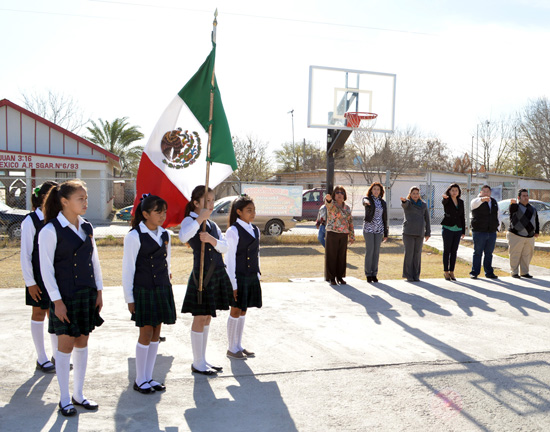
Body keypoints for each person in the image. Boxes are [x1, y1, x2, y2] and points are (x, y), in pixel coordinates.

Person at [38, 179, 104, 417]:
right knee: (64, 346)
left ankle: (79, 394)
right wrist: (56, 301)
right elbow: (46, 269)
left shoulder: (87, 227)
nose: (85, 202)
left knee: (82, 342)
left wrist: (99, 291)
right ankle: (64, 399)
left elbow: (94, 261)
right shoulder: (49, 230)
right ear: (64, 201)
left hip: (86, 293)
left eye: (86, 198)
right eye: (81, 198)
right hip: (64, 296)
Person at [122, 194, 176, 394]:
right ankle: (139, 379)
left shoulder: (165, 235)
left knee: (156, 333)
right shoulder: (134, 236)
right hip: (143, 289)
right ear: (145, 214)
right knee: (145, 333)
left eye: (164, 211)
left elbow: (167, 262)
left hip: (161, 288)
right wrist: (130, 298)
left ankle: (149, 377)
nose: (162, 215)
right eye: (157, 211)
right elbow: (128, 270)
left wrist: (167, 285)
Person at [179, 186, 233, 375]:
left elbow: (225, 247)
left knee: (208, 316)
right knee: (199, 317)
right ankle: (197, 362)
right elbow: (183, 236)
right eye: (207, 201)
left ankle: (203, 359)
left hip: (216, 273)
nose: (211, 204)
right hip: (201, 275)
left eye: (212, 200)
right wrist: (199, 219)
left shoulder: (212, 225)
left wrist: (211, 239)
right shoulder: (190, 220)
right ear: (196, 203)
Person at [20, 181, 59, 374]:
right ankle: (41, 358)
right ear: (45, 198)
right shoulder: (30, 221)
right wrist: (30, 283)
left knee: (54, 314)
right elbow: (26, 255)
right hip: (37, 277)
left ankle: (57, 355)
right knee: (38, 314)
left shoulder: (56, 220)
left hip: (54, 275)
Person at [225, 195, 262, 360]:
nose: (252, 213)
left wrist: (258, 273)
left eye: (253, 210)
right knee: (235, 310)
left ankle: (238, 345)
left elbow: (257, 253)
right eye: (249, 210)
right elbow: (230, 259)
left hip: (251, 274)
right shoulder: (233, 231)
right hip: (238, 276)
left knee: (244, 309)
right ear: (238, 212)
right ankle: (231, 348)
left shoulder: (255, 229)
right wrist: (233, 284)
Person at [324, 186, 355, 285]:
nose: (339, 194)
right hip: (332, 233)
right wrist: (328, 200)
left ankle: (340, 277)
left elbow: (350, 222)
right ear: (334, 195)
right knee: (332, 256)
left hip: (343, 234)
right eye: (337, 192)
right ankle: (332, 278)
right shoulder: (332, 205)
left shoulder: (347, 208)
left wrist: (352, 235)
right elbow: (329, 205)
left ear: (344, 195)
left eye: (342, 193)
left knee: (342, 257)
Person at [470, 185, 500, 279]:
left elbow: (498, 215)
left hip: (491, 232)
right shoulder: (476, 201)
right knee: (478, 252)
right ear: (480, 192)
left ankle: (489, 272)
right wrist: (482, 200)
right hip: (479, 231)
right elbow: (474, 204)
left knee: (489, 253)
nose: (486, 193)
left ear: (490, 192)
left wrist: (497, 227)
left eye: (488, 191)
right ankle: (474, 272)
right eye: (484, 191)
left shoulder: (494, 202)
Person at [507, 189, 540, 278]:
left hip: (529, 235)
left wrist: (536, 231)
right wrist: (513, 203)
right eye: (523, 196)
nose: (526, 198)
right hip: (516, 235)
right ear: (519, 197)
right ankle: (514, 272)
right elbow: (511, 211)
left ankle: (524, 272)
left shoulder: (532, 208)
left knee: (527, 255)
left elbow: (536, 220)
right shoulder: (515, 207)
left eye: (527, 196)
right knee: (515, 254)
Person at [401, 186, 431, 282]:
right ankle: (408, 275)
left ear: (419, 195)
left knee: (417, 254)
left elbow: (427, 218)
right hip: (408, 232)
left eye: (417, 193)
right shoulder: (408, 203)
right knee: (409, 254)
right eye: (413, 193)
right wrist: (404, 201)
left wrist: (428, 232)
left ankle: (416, 275)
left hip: (419, 232)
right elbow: (405, 205)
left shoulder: (423, 204)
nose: (415, 195)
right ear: (410, 194)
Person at [362, 182, 388, 283]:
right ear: (371, 190)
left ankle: (374, 274)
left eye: (378, 189)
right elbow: (364, 201)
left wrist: (386, 233)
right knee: (370, 251)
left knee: (376, 252)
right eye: (374, 189)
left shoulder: (383, 203)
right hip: (369, 229)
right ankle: (368, 274)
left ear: (381, 191)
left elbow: (384, 218)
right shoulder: (368, 199)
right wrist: (366, 203)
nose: (376, 191)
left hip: (379, 229)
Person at [441, 183, 466, 281]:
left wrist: (463, 230)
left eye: (456, 190)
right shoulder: (447, 200)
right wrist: (445, 198)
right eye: (452, 190)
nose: (454, 192)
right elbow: (444, 203)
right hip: (448, 228)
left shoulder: (461, 202)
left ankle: (452, 271)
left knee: (454, 251)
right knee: (447, 250)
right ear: (449, 191)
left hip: (458, 229)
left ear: (459, 192)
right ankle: (446, 272)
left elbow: (462, 216)